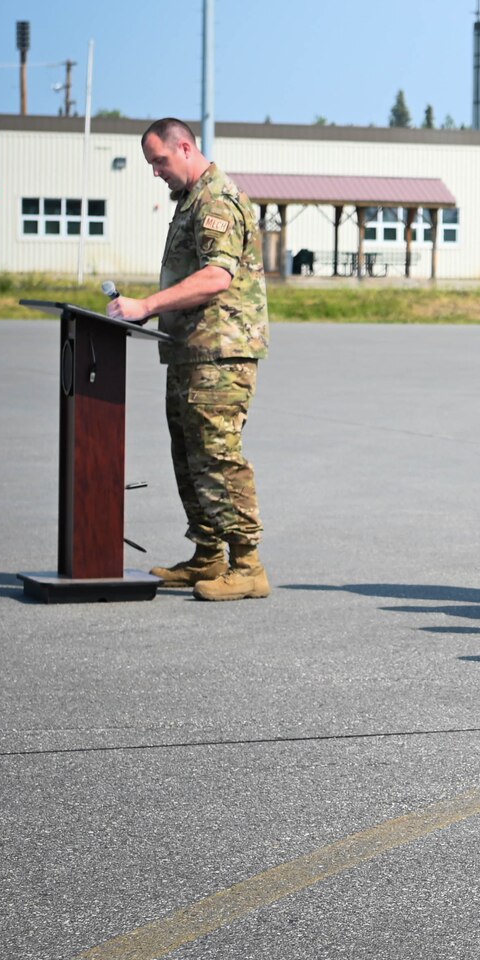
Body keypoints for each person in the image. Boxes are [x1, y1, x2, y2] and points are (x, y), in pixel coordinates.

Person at [108, 118, 270, 601]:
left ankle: (247, 566)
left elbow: (217, 276)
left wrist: (146, 307)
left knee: (217, 457)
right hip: (190, 351)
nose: (156, 171)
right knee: (189, 456)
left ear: (184, 147)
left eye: (160, 160)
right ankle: (207, 555)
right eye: (150, 164)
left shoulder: (216, 199)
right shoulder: (190, 202)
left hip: (220, 354)